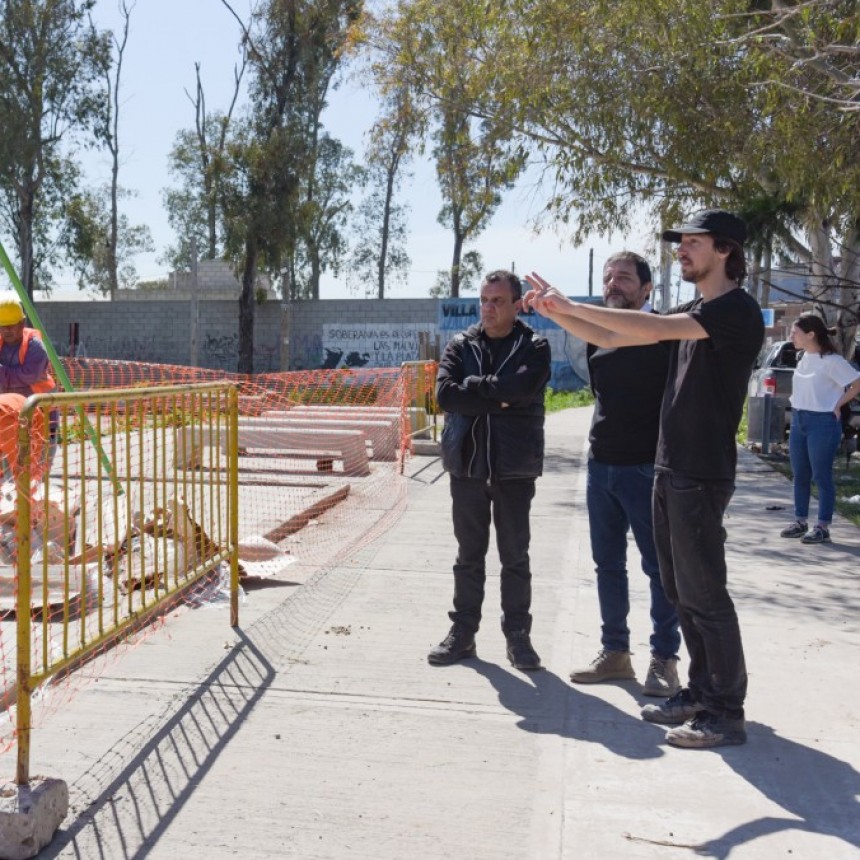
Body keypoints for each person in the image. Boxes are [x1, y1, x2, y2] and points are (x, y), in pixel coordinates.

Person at [524, 209, 764, 749]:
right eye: (680, 243)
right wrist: (556, 311)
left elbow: (651, 327)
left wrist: (567, 304)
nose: (681, 250)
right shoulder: (697, 309)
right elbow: (614, 332)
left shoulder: (735, 311)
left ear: (724, 249)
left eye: (693, 242)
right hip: (669, 464)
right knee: (681, 590)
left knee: (706, 593)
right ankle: (700, 691)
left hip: (701, 469)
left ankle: (726, 711)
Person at [556, 252, 681, 696]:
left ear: (647, 289)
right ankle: (616, 654)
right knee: (608, 565)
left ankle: (665, 659)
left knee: (660, 569)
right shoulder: (598, 337)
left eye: (625, 278)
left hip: (648, 467)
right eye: (609, 277)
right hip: (601, 465)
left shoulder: (665, 332)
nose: (613, 284)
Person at [428, 269, 551, 671]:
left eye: (497, 301)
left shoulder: (535, 346)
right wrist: (494, 394)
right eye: (483, 300)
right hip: (467, 466)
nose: (488, 308)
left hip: (514, 467)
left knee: (515, 556)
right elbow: (445, 395)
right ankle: (463, 633)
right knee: (469, 555)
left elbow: (523, 390)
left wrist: (476, 391)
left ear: (517, 305)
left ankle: (518, 637)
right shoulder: (461, 345)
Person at [779, 313, 860, 545]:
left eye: (795, 332)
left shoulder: (832, 361)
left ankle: (822, 526)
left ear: (811, 334)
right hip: (799, 420)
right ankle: (800, 521)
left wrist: (838, 405)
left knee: (821, 476)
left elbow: (857, 383)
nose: (791, 336)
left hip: (822, 423)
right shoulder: (803, 357)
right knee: (800, 475)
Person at [0, 292, 56, 481]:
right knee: (8, 473)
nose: (6, 331)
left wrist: (2, 373)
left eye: (11, 325)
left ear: (22, 323)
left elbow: (28, 376)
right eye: (2, 326)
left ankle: (35, 505)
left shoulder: (35, 347)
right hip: (10, 415)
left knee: (36, 469)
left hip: (40, 414)